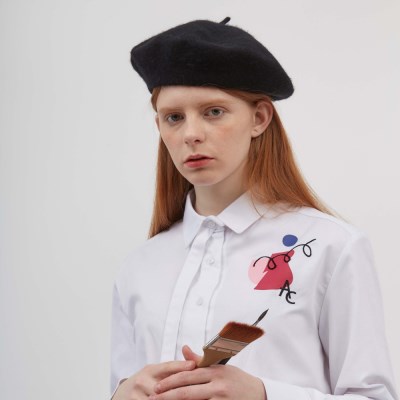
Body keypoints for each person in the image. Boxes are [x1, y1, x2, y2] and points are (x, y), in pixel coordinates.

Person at [110, 18, 398, 400]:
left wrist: (265, 395)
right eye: (174, 117)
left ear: (259, 118)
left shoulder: (332, 248)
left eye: (213, 111)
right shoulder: (139, 266)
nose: (190, 134)